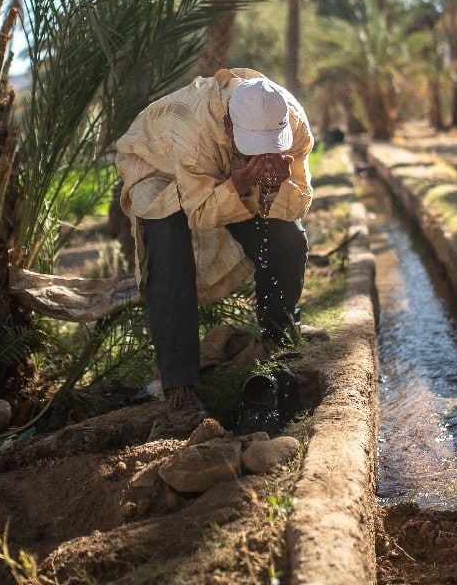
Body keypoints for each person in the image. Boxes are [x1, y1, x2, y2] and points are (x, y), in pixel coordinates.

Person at [115, 67, 317, 439]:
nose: (266, 153)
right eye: (253, 147)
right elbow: (199, 212)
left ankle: (278, 333)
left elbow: (296, 206)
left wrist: (272, 187)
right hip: (158, 164)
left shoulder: (294, 125)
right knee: (170, 252)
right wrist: (238, 182)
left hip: (217, 169)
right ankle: (179, 390)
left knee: (289, 240)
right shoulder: (195, 133)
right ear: (228, 124)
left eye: (271, 146)